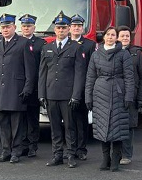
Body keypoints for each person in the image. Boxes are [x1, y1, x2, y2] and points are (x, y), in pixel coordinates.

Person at [0, 13, 35, 164]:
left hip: (16, 89)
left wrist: (27, 89)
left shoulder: (23, 43)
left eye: (8, 26)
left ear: (14, 27)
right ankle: (6, 151)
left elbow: (29, 70)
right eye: (3, 27)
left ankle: (16, 151)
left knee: (17, 124)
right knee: (3, 123)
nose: (5, 29)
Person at [38, 12, 86, 168]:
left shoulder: (76, 47)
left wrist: (76, 95)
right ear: (55, 29)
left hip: (68, 95)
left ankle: (71, 155)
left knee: (70, 127)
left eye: (64, 28)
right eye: (58, 28)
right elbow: (43, 73)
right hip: (51, 93)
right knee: (55, 127)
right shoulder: (48, 47)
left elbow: (79, 74)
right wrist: (41, 94)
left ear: (68, 29)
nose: (61, 31)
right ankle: (57, 155)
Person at [85, 27, 135, 171]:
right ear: (104, 37)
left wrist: (128, 96)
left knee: (117, 127)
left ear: (116, 38)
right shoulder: (95, 55)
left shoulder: (123, 54)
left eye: (113, 35)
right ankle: (105, 157)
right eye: (108, 35)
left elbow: (129, 77)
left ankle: (116, 157)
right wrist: (88, 97)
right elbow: (90, 77)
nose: (110, 37)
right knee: (102, 127)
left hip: (118, 93)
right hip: (100, 93)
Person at [117, 27, 142, 165]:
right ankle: (115, 154)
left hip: (132, 96)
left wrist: (141, 98)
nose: (125, 38)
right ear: (117, 37)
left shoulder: (136, 53)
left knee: (128, 126)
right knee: (115, 125)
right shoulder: (112, 52)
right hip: (116, 95)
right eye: (122, 36)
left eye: (127, 36)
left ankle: (127, 155)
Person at [69, 15, 96, 160]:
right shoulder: (65, 43)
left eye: (79, 26)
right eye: (74, 26)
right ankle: (72, 149)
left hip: (84, 88)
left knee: (82, 121)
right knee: (70, 122)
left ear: (82, 28)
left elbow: (92, 68)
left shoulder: (89, 45)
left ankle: (81, 149)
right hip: (67, 88)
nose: (76, 28)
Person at [17, 14, 42, 157]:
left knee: (32, 119)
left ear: (34, 27)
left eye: (29, 26)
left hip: (34, 87)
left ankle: (33, 146)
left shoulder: (40, 43)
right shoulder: (17, 42)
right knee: (21, 118)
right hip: (19, 86)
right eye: (24, 26)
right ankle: (23, 145)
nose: (26, 28)